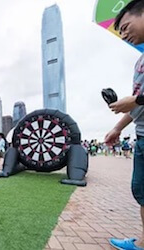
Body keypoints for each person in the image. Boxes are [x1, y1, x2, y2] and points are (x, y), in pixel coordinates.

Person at [104, 1, 144, 249]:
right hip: (141, 136)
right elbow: (139, 105)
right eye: (120, 33)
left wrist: (136, 99)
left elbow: (139, 100)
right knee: (141, 192)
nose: (125, 35)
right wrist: (118, 127)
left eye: (126, 26)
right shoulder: (139, 62)